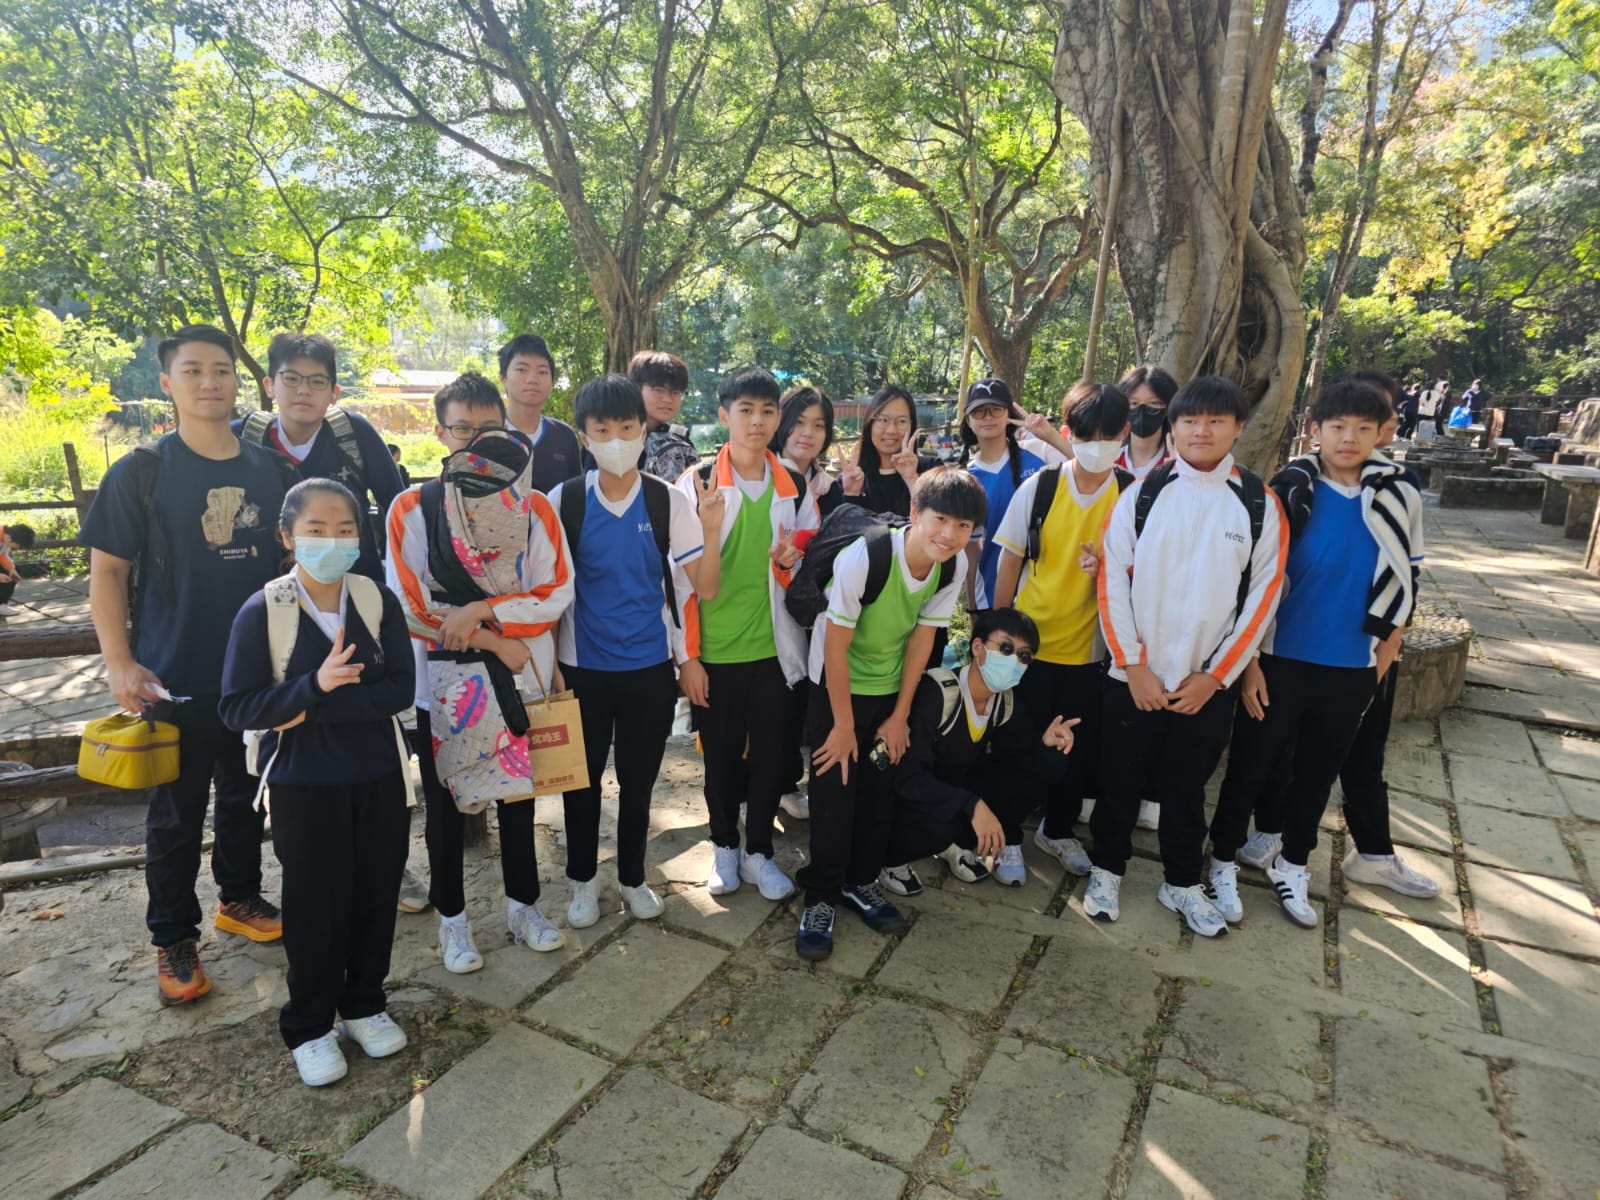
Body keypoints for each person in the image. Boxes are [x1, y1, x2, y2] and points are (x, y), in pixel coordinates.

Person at [80, 324, 292, 1006]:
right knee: (175, 815)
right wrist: (119, 662)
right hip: (172, 676)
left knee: (246, 797)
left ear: (238, 380)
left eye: (221, 369)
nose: (209, 382)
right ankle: (174, 936)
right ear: (167, 383)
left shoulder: (270, 470)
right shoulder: (141, 471)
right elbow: (108, 572)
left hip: (255, 676)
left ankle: (240, 898)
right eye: (193, 370)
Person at [1208, 377, 1428, 927]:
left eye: (1362, 428)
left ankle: (1294, 865)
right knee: (1250, 767)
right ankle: (1221, 860)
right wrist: (1250, 663)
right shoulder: (1287, 492)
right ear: (1316, 430)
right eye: (1337, 426)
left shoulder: (1399, 496)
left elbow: (1406, 584)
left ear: (1381, 432)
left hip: (1350, 667)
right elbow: (1254, 582)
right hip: (1279, 661)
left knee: (1316, 778)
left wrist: (1378, 668)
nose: (1349, 438)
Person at [219, 479, 415, 1087]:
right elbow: (238, 707)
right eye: (316, 530)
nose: (332, 541)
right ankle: (309, 1025)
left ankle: (364, 1004)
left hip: (379, 776)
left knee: (376, 893)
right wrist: (315, 685)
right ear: (287, 536)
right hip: (305, 785)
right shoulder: (266, 611)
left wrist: (311, 706)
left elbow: (401, 689)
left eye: (344, 529)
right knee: (314, 906)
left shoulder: (376, 600)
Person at [1083, 375, 1287, 938]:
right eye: (1190, 420)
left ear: (1238, 428)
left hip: (1204, 684)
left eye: (1216, 421)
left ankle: (1180, 881)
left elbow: (1263, 597)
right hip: (1133, 678)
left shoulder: (1258, 504)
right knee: (1119, 782)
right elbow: (1111, 582)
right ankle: (1106, 871)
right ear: (1172, 427)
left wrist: (1217, 677)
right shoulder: (1141, 494)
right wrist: (1133, 665)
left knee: (1187, 788)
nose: (1202, 431)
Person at [387, 373, 574, 973]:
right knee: (446, 809)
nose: (474, 441)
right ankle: (454, 922)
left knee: (519, 801)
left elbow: (554, 592)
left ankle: (524, 907)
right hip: (445, 689)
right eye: (462, 429)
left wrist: (480, 609)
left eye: (487, 429)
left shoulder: (534, 506)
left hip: (520, 679)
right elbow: (410, 607)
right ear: (441, 433)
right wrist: (493, 636)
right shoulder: (413, 508)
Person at [796, 467, 984, 961]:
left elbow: (923, 637)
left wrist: (900, 715)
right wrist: (841, 726)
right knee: (834, 794)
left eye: (963, 526)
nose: (949, 534)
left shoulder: (951, 566)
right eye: (940, 519)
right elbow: (835, 648)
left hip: (889, 689)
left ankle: (860, 880)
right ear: (915, 513)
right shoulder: (868, 556)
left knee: (878, 791)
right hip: (835, 688)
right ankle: (820, 895)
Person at [549, 374, 717, 926]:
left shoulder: (668, 501)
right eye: (602, 430)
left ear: (644, 430)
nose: (616, 440)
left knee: (639, 781)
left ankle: (632, 877)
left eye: (627, 427)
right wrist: (549, 668)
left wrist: (713, 528)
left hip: (649, 667)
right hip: (581, 668)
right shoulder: (564, 501)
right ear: (585, 436)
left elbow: (701, 588)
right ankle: (582, 880)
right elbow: (546, 592)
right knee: (580, 783)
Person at [677, 367, 820, 904]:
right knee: (719, 759)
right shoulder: (696, 484)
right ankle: (724, 846)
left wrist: (790, 559)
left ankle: (759, 851)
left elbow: (807, 565)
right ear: (724, 416)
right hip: (715, 650)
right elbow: (679, 584)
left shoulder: (794, 487)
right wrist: (687, 658)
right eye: (745, 410)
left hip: (775, 649)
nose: (756, 421)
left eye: (767, 411)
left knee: (770, 757)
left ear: (777, 418)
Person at [989, 382, 1131, 882]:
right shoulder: (1041, 487)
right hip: (1030, 646)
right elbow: (1009, 559)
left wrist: (1108, 570)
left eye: (1109, 437)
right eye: (1087, 436)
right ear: (1068, 433)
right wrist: (998, 637)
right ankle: (1007, 834)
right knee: (1016, 742)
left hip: (1091, 653)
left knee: (1076, 750)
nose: (1097, 447)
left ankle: (1057, 828)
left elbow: (1144, 572)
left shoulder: (1132, 495)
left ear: (1125, 434)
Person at [882, 608, 1078, 886]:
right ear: (977, 647)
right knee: (945, 821)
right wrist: (971, 804)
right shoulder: (939, 694)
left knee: (1027, 782)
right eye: (1005, 648)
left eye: (1023, 656)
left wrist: (1050, 745)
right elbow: (906, 777)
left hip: (951, 790)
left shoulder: (1003, 703)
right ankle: (890, 859)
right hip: (908, 799)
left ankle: (955, 844)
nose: (1014, 661)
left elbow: (1031, 762)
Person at [235, 333, 405, 582]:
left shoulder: (355, 435)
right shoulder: (241, 438)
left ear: (334, 393)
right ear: (269, 385)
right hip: (269, 593)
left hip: (355, 590)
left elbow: (398, 508)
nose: (304, 390)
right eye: (291, 378)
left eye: (317, 381)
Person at [770, 385, 844, 821]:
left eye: (818, 425)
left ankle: (784, 784)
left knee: (793, 702)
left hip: (805, 613)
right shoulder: (764, 475)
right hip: (764, 610)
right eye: (798, 422)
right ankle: (751, 790)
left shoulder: (827, 487)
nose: (807, 433)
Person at [957, 378, 1044, 610]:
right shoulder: (966, 478)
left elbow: (1089, 471)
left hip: (1042, 593)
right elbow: (971, 553)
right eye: (979, 411)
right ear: (968, 420)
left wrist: (1049, 435)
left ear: (1009, 414)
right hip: (990, 593)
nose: (987, 417)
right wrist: (973, 609)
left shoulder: (1038, 459)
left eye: (995, 409)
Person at [837, 384, 940, 516]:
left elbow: (939, 521)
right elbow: (845, 527)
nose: (891, 430)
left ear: (912, 425)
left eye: (901, 421)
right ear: (870, 424)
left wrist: (912, 480)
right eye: (883, 420)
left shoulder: (932, 471)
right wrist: (851, 495)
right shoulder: (850, 479)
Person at [499, 333, 582, 492]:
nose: (532, 379)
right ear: (504, 377)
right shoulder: (488, 433)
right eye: (522, 370)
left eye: (542, 372)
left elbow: (575, 495)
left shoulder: (564, 436)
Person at [628, 350, 701, 482]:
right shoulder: (619, 438)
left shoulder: (680, 439)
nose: (668, 399)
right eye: (659, 390)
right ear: (636, 389)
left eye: (675, 392)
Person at [1114, 366, 1179, 479]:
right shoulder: (1109, 461)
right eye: (1134, 403)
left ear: (1169, 408)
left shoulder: (1177, 463)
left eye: (1153, 403)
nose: (1142, 411)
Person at [0, 522, 34, 615]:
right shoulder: (6, 538)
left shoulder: (5, 538)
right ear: (9, 538)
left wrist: (11, 569)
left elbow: (2, 555)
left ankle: (1, 604)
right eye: (15, 547)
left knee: (14, 570)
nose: (16, 549)